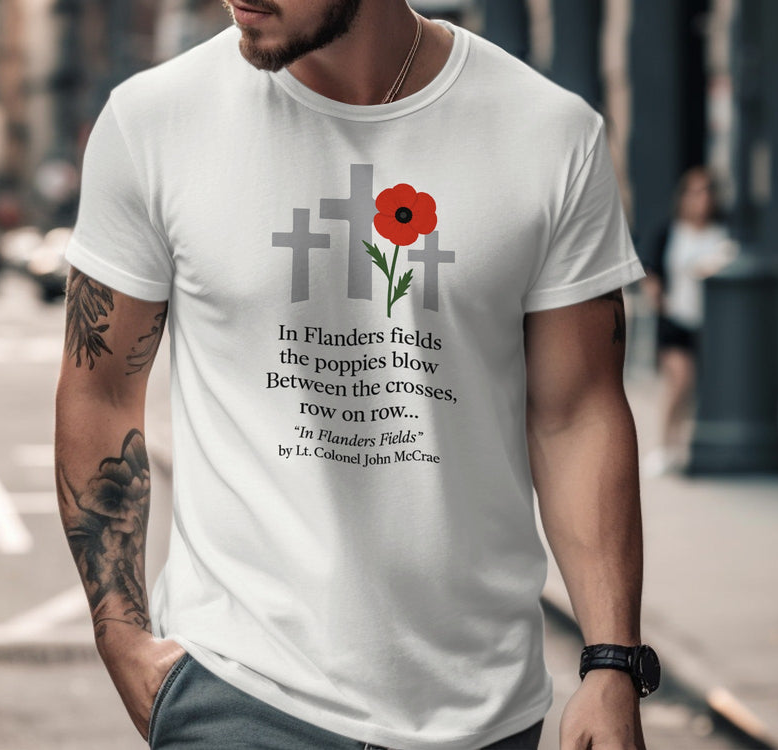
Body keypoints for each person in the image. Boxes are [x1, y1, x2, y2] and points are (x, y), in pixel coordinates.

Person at [54, 0, 657, 748]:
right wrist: (124, 642)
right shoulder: (153, 122)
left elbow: (578, 415)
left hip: (483, 713)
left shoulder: (549, 134)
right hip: (237, 694)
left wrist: (611, 664)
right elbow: (102, 389)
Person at [638, 167, 731, 476]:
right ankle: (665, 446)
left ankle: (686, 445)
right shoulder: (671, 231)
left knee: (698, 390)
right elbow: (649, 268)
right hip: (675, 318)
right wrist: (657, 297)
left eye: (706, 192)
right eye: (694, 192)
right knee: (680, 381)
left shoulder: (723, 235)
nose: (700, 199)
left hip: (712, 326)